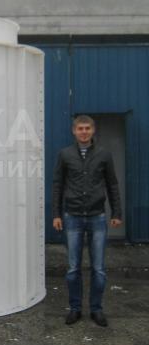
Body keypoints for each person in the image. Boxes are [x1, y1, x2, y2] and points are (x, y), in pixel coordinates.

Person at [52, 115, 122, 327]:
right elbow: (58, 185)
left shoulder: (104, 154)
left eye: (87, 128)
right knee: (73, 268)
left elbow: (112, 184)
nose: (84, 132)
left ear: (93, 131)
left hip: (97, 217)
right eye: (80, 128)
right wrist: (56, 214)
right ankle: (75, 308)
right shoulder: (65, 154)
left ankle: (96, 309)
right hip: (72, 217)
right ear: (74, 131)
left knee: (98, 268)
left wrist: (117, 213)